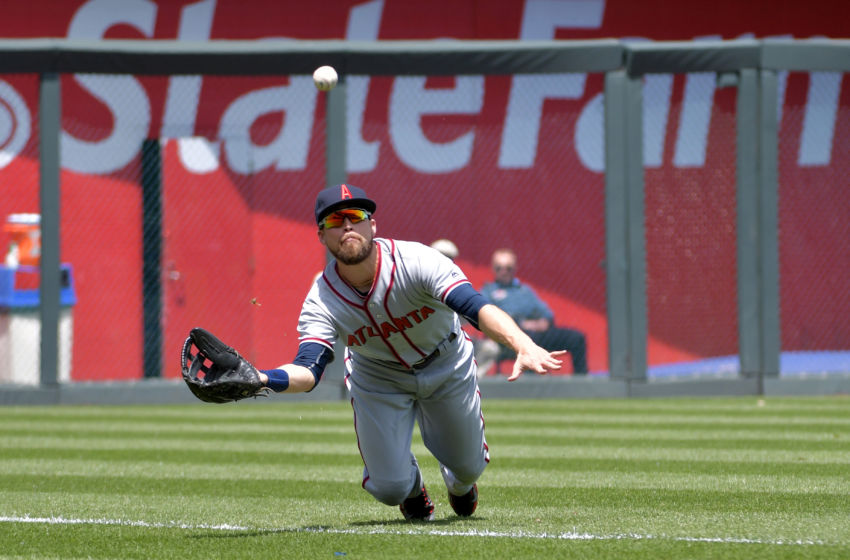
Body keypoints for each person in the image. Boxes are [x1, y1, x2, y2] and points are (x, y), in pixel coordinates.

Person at [255, 184, 566, 522]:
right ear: (321, 235)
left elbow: (476, 307)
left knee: (468, 467)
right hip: (378, 376)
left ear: (372, 225)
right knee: (389, 488)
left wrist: (522, 343)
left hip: (445, 362)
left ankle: (459, 485)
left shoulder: (417, 260)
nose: (347, 226)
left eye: (356, 216)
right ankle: (413, 487)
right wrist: (261, 379)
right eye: (335, 220)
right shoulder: (321, 299)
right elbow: (309, 370)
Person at [478, 248, 588, 375]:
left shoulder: (525, 291)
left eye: (508, 268)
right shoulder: (488, 291)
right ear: (493, 269)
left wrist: (541, 323)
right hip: (510, 338)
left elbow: (547, 314)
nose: (504, 272)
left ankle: (582, 380)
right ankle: (532, 383)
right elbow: (488, 319)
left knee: (576, 338)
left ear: (514, 269)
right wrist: (520, 324)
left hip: (538, 332)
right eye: (499, 268)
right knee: (530, 341)